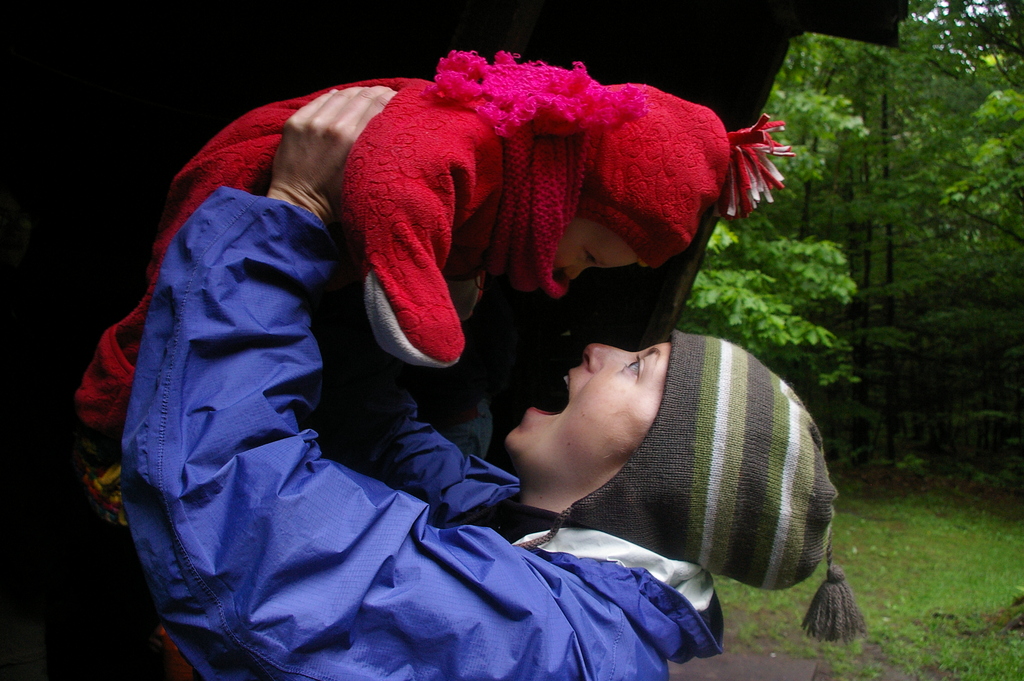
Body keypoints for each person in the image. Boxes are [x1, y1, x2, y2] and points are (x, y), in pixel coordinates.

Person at [121, 92, 861, 680]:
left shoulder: (536, 641)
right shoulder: (519, 530)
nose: (598, 348)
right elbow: (370, 430)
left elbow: (235, 507)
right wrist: (403, 267)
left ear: (658, 477)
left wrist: (289, 217)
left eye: (638, 367)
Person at [75, 54, 795, 507]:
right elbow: (398, 180)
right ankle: (113, 410)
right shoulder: (470, 148)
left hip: (234, 354)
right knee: (154, 337)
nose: (576, 288)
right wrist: (411, 284)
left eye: (636, 368)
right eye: (594, 255)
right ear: (574, 193)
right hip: (228, 225)